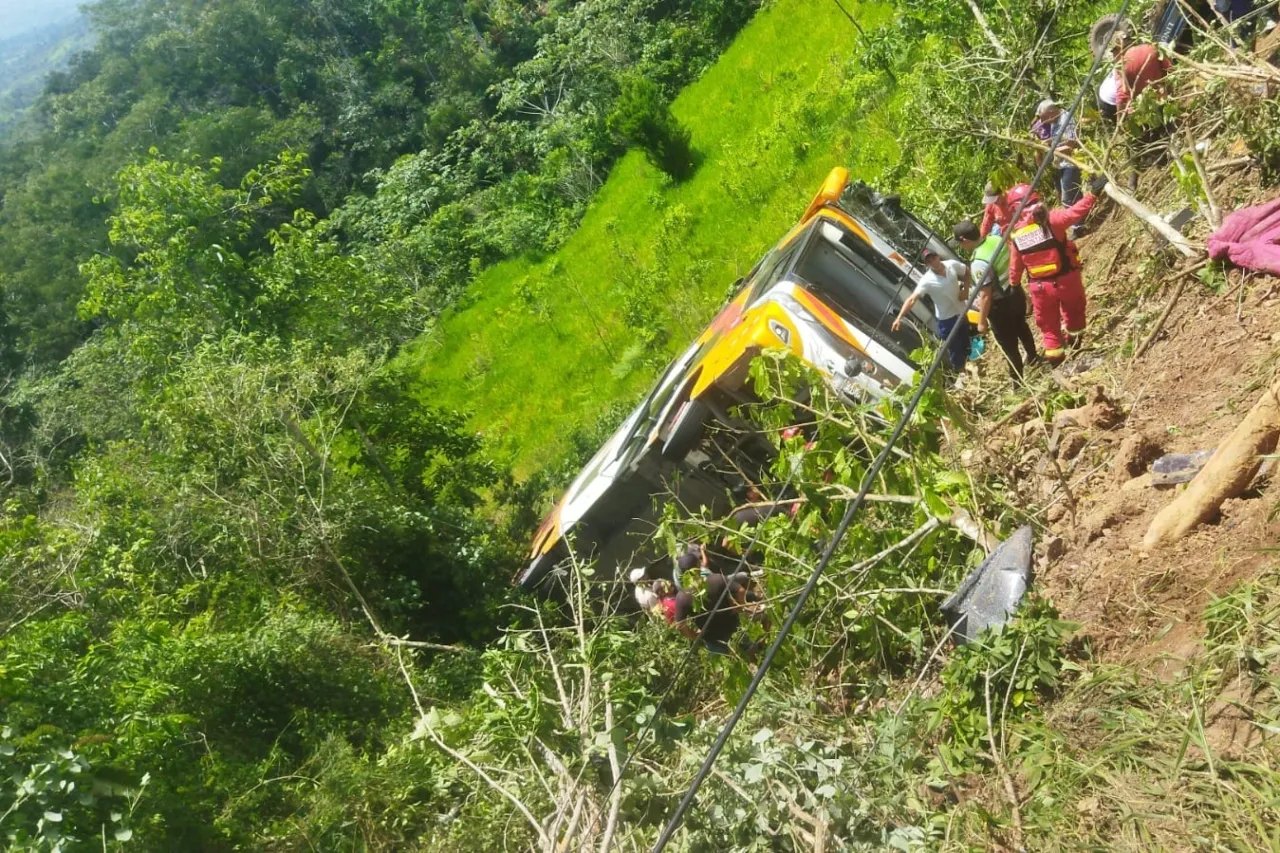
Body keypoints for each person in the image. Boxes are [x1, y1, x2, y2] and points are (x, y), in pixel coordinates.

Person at [1005, 177, 1106, 364]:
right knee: (1074, 313)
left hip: (1040, 289)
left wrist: (1014, 285)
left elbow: (1015, 266)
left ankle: (1057, 361)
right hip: (1068, 280)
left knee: (1049, 326)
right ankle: (1076, 345)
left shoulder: (1017, 234)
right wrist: (1093, 193)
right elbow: (1076, 213)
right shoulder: (1053, 219)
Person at [952, 220, 1040, 382]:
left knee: (1009, 345)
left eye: (959, 243)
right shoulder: (996, 239)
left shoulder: (978, 261)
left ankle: (1017, 381)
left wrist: (982, 321)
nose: (960, 246)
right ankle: (1034, 357)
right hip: (1015, 291)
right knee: (1022, 327)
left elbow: (986, 295)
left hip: (1000, 306)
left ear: (964, 240)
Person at [891, 248, 971, 373]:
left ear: (938, 256)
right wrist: (899, 318)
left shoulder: (951, 265)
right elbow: (912, 299)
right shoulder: (927, 280)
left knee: (966, 339)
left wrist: (965, 290)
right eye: (929, 261)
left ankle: (972, 363)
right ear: (926, 265)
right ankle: (962, 372)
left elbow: (966, 271)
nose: (933, 262)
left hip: (961, 311)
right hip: (946, 319)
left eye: (933, 258)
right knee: (954, 347)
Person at [1032, 99, 1082, 206]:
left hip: (1070, 163)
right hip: (1061, 164)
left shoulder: (1066, 121)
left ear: (1051, 113)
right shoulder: (1054, 121)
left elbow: (1071, 145)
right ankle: (1081, 218)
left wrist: (1051, 151)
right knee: (1074, 195)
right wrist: (1047, 142)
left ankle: (1077, 222)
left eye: (1043, 118)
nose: (1042, 121)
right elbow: (1060, 138)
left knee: (1068, 199)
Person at [1114, 40, 1171, 117]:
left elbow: (1122, 96)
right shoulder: (1153, 49)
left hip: (1135, 101)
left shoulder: (1120, 67)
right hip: (1114, 102)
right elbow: (1170, 72)